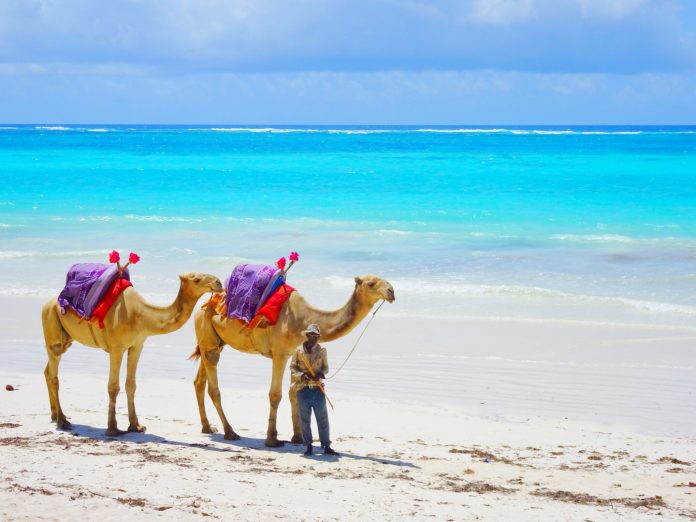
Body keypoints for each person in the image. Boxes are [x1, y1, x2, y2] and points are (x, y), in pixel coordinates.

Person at [290, 324, 338, 456]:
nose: (315, 338)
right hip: (303, 389)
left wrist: (320, 374)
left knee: (322, 419)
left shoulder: (322, 351)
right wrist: (302, 376)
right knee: (305, 420)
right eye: (312, 335)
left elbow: (326, 368)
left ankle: (326, 445)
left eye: (317, 336)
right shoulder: (298, 351)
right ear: (307, 336)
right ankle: (308, 446)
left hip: (318, 389)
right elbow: (293, 368)